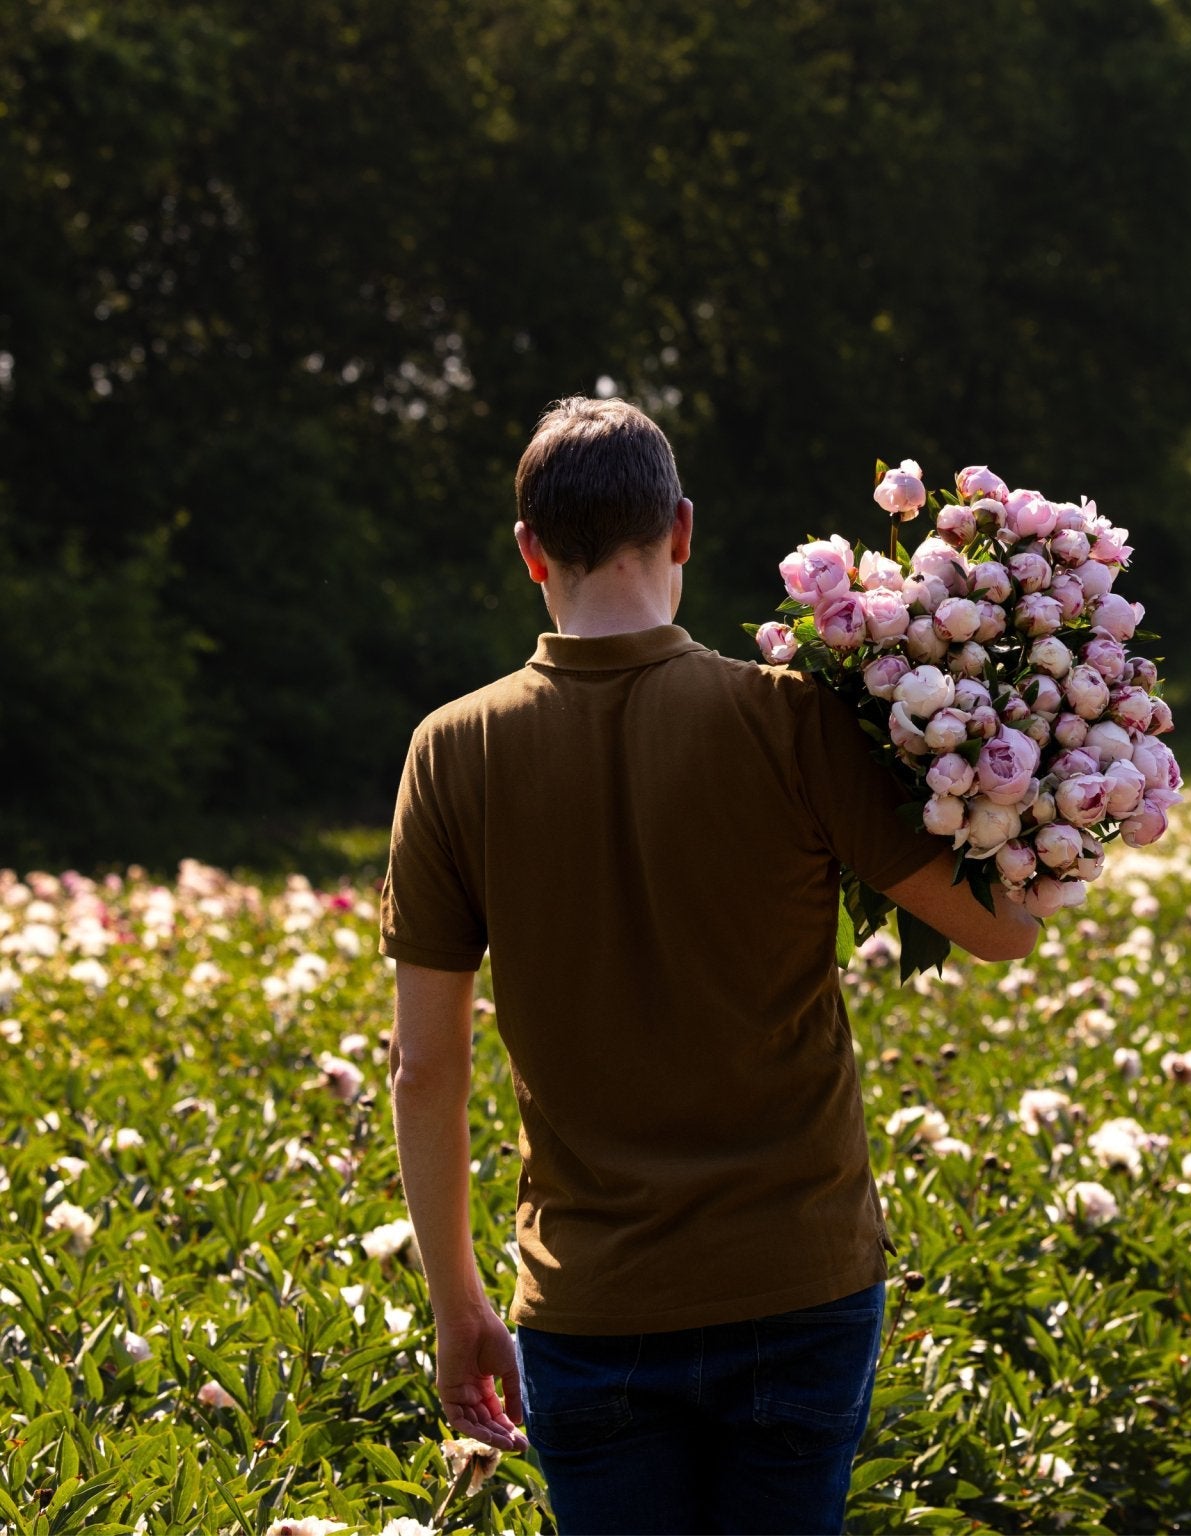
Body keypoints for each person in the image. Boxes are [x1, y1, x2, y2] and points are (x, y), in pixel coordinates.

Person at [378, 395, 1038, 1535]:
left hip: (591, 1300)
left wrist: (457, 1305)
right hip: (799, 1279)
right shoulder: (789, 721)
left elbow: (423, 1069)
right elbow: (1002, 929)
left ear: (530, 551)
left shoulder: (454, 750)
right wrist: (1039, 758)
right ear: (681, 529)